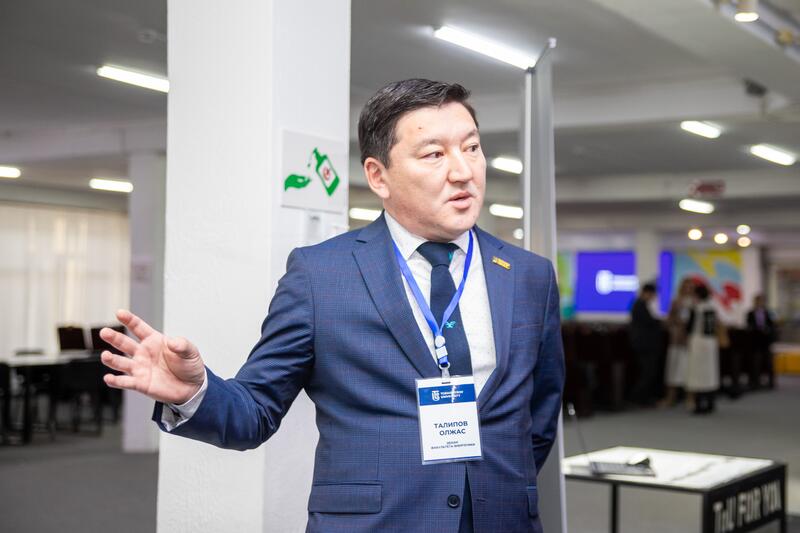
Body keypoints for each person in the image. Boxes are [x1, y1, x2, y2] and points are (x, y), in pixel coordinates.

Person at [99, 79, 565, 533]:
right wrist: (193, 392)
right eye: (434, 154)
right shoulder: (320, 275)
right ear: (378, 176)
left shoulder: (529, 275)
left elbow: (539, 415)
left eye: (472, 148)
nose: (463, 171)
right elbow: (256, 409)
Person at [685, 283, 720, 414]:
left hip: (698, 342)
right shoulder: (712, 307)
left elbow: (689, 327)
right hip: (710, 342)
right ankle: (710, 402)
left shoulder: (697, 308)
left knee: (697, 374)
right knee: (710, 373)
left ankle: (699, 404)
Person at [659, 278, 694, 407]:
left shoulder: (695, 303)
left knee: (689, 370)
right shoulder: (676, 302)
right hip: (676, 340)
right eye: (686, 286)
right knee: (673, 370)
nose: (688, 289)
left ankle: (690, 398)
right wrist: (674, 321)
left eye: (690, 287)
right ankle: (670, 398)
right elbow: (668, 320)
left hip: (689, 341)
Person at [629, 282, 662, 406]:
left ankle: (642, 397)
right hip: (644, 345)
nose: (653, 297)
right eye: (652, 294)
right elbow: (649, 323)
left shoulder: (641, 304)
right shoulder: (639, 305)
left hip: (645, 344)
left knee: (647, 372)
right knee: (647, 372)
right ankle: (638, 397)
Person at [746, 294, 777, 389]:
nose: (759, 303)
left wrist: (767, 330)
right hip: (755, 342)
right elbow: (749, 326)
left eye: (761, 301)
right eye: (758, 301)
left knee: (769, 362)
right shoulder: (750, 313)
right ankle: (756, 382)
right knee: (756, 362)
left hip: (766, 341)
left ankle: (771, 382)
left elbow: (772, 325)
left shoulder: (768, 313)